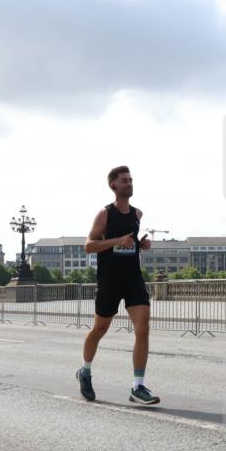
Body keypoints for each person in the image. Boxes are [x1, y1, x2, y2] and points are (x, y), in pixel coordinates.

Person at [76, 165, 159, 405]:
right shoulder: (105, 214)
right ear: (114, 185)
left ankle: (138, 386)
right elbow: (89, 245)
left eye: (131, 180)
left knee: (143, 328)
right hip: (109, 280)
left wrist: (140, 245)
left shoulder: (137, 214)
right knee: (100, 328)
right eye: (124, 180)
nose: (129, 183)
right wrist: (116, 241)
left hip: (133, 278)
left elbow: (130, 242)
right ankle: (85, 371)